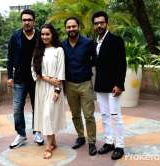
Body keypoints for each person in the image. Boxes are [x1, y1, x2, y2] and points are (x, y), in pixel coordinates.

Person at [92, 11, 127, 160]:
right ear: (94, 26)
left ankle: (119, 146)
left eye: (101, 22)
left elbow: (122, 64)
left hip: (113, 86)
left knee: (115, 116)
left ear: (107, 23)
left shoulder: (116, 40)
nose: (99, 25)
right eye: (96, 23)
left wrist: (119, 84)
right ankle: (109, 141)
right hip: (100, 85)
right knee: (105, 116)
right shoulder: (95, 42)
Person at [7, 9, 44, 149]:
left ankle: (38, 132)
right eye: (24, 20)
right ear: (22, 21)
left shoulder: (41, 35)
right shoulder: (15, 36)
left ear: (34, 21)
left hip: (37, 79)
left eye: (29, 20)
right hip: (19, 79)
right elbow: (10, 58)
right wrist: (9, 76)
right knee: (17, 109)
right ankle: (21, 135)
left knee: (38, 108)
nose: (27, 22)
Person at [62, 17, 97, 156]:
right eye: (68, 27)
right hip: (69, 85)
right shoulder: (62, 45)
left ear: (78, 27)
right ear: (66, 29)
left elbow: (95, 60)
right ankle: (81, 137)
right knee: (75, 114)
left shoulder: (88, 43)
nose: (71, 29)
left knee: (89, 115)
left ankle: (92, 142)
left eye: (73, 26)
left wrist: (85, 69)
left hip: (85, 84)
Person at [32, 23, 66, 159]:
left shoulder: (59, 50)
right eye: (42, 34)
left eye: (47, 34)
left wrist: (57, 89)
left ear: (52, 35)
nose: (44, 36)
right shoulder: (38, 51)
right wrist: (47, 79)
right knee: (45, 115)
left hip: (54, 89)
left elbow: (61, 70)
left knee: (48, 115)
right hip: (41, 87)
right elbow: (34, 71)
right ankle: (53, 142)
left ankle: (48, 146)